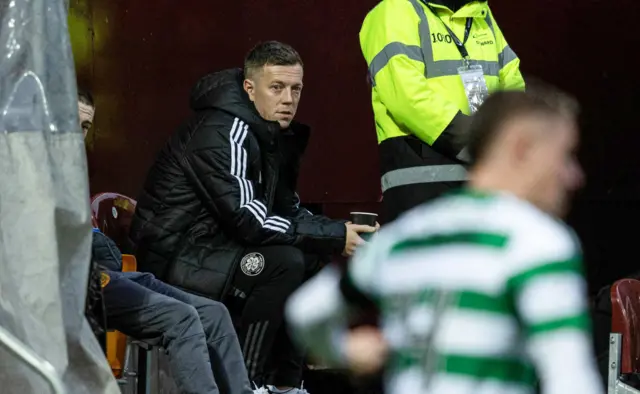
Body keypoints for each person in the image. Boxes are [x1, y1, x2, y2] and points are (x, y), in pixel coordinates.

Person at [286, 87, 605, 393]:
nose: (574, 175)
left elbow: (306, 312)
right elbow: (570, 379)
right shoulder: (537, 243)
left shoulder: (404, 239)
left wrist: (342, 352)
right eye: (565, 155)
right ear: (521, 148)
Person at [129, 41, 377, 393]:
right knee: (283, 263)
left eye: (296, 89)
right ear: (250, 88)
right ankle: (246, 383)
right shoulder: (224, 130)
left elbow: (286, 210)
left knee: (309, 257)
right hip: (174, 259)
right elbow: (249, 218)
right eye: (276, 88)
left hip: (215, 250)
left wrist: (340, 232)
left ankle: (285, 386)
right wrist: (335, 236)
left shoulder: (267, 131)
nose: (288, 99)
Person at [78, 90, 256, 394]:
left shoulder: (70, 167)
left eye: (84, 127)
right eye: (70, 122)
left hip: (101, 271)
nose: (76, 135)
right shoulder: (33, 167)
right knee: (181, 318)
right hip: (70, 282)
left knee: (214, 314)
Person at [359, 0, 525, 221]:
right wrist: (480, 144)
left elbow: (513, 89)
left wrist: (504, 142)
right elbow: (408, 97)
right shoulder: (395, 10)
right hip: (422, 181)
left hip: (486, 179)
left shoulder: (481, 16)